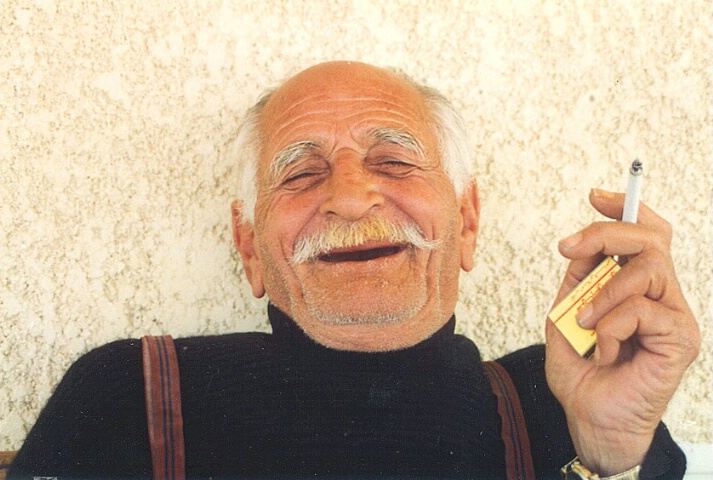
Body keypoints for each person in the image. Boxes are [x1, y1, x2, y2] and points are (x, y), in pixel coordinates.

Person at [9, 61, 700, 479]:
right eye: (301, 172)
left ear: (466, 221)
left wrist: (610, 457)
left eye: (394, 162)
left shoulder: (565, 401)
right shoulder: (127, 396)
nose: (346, 197)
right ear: (250, 249)